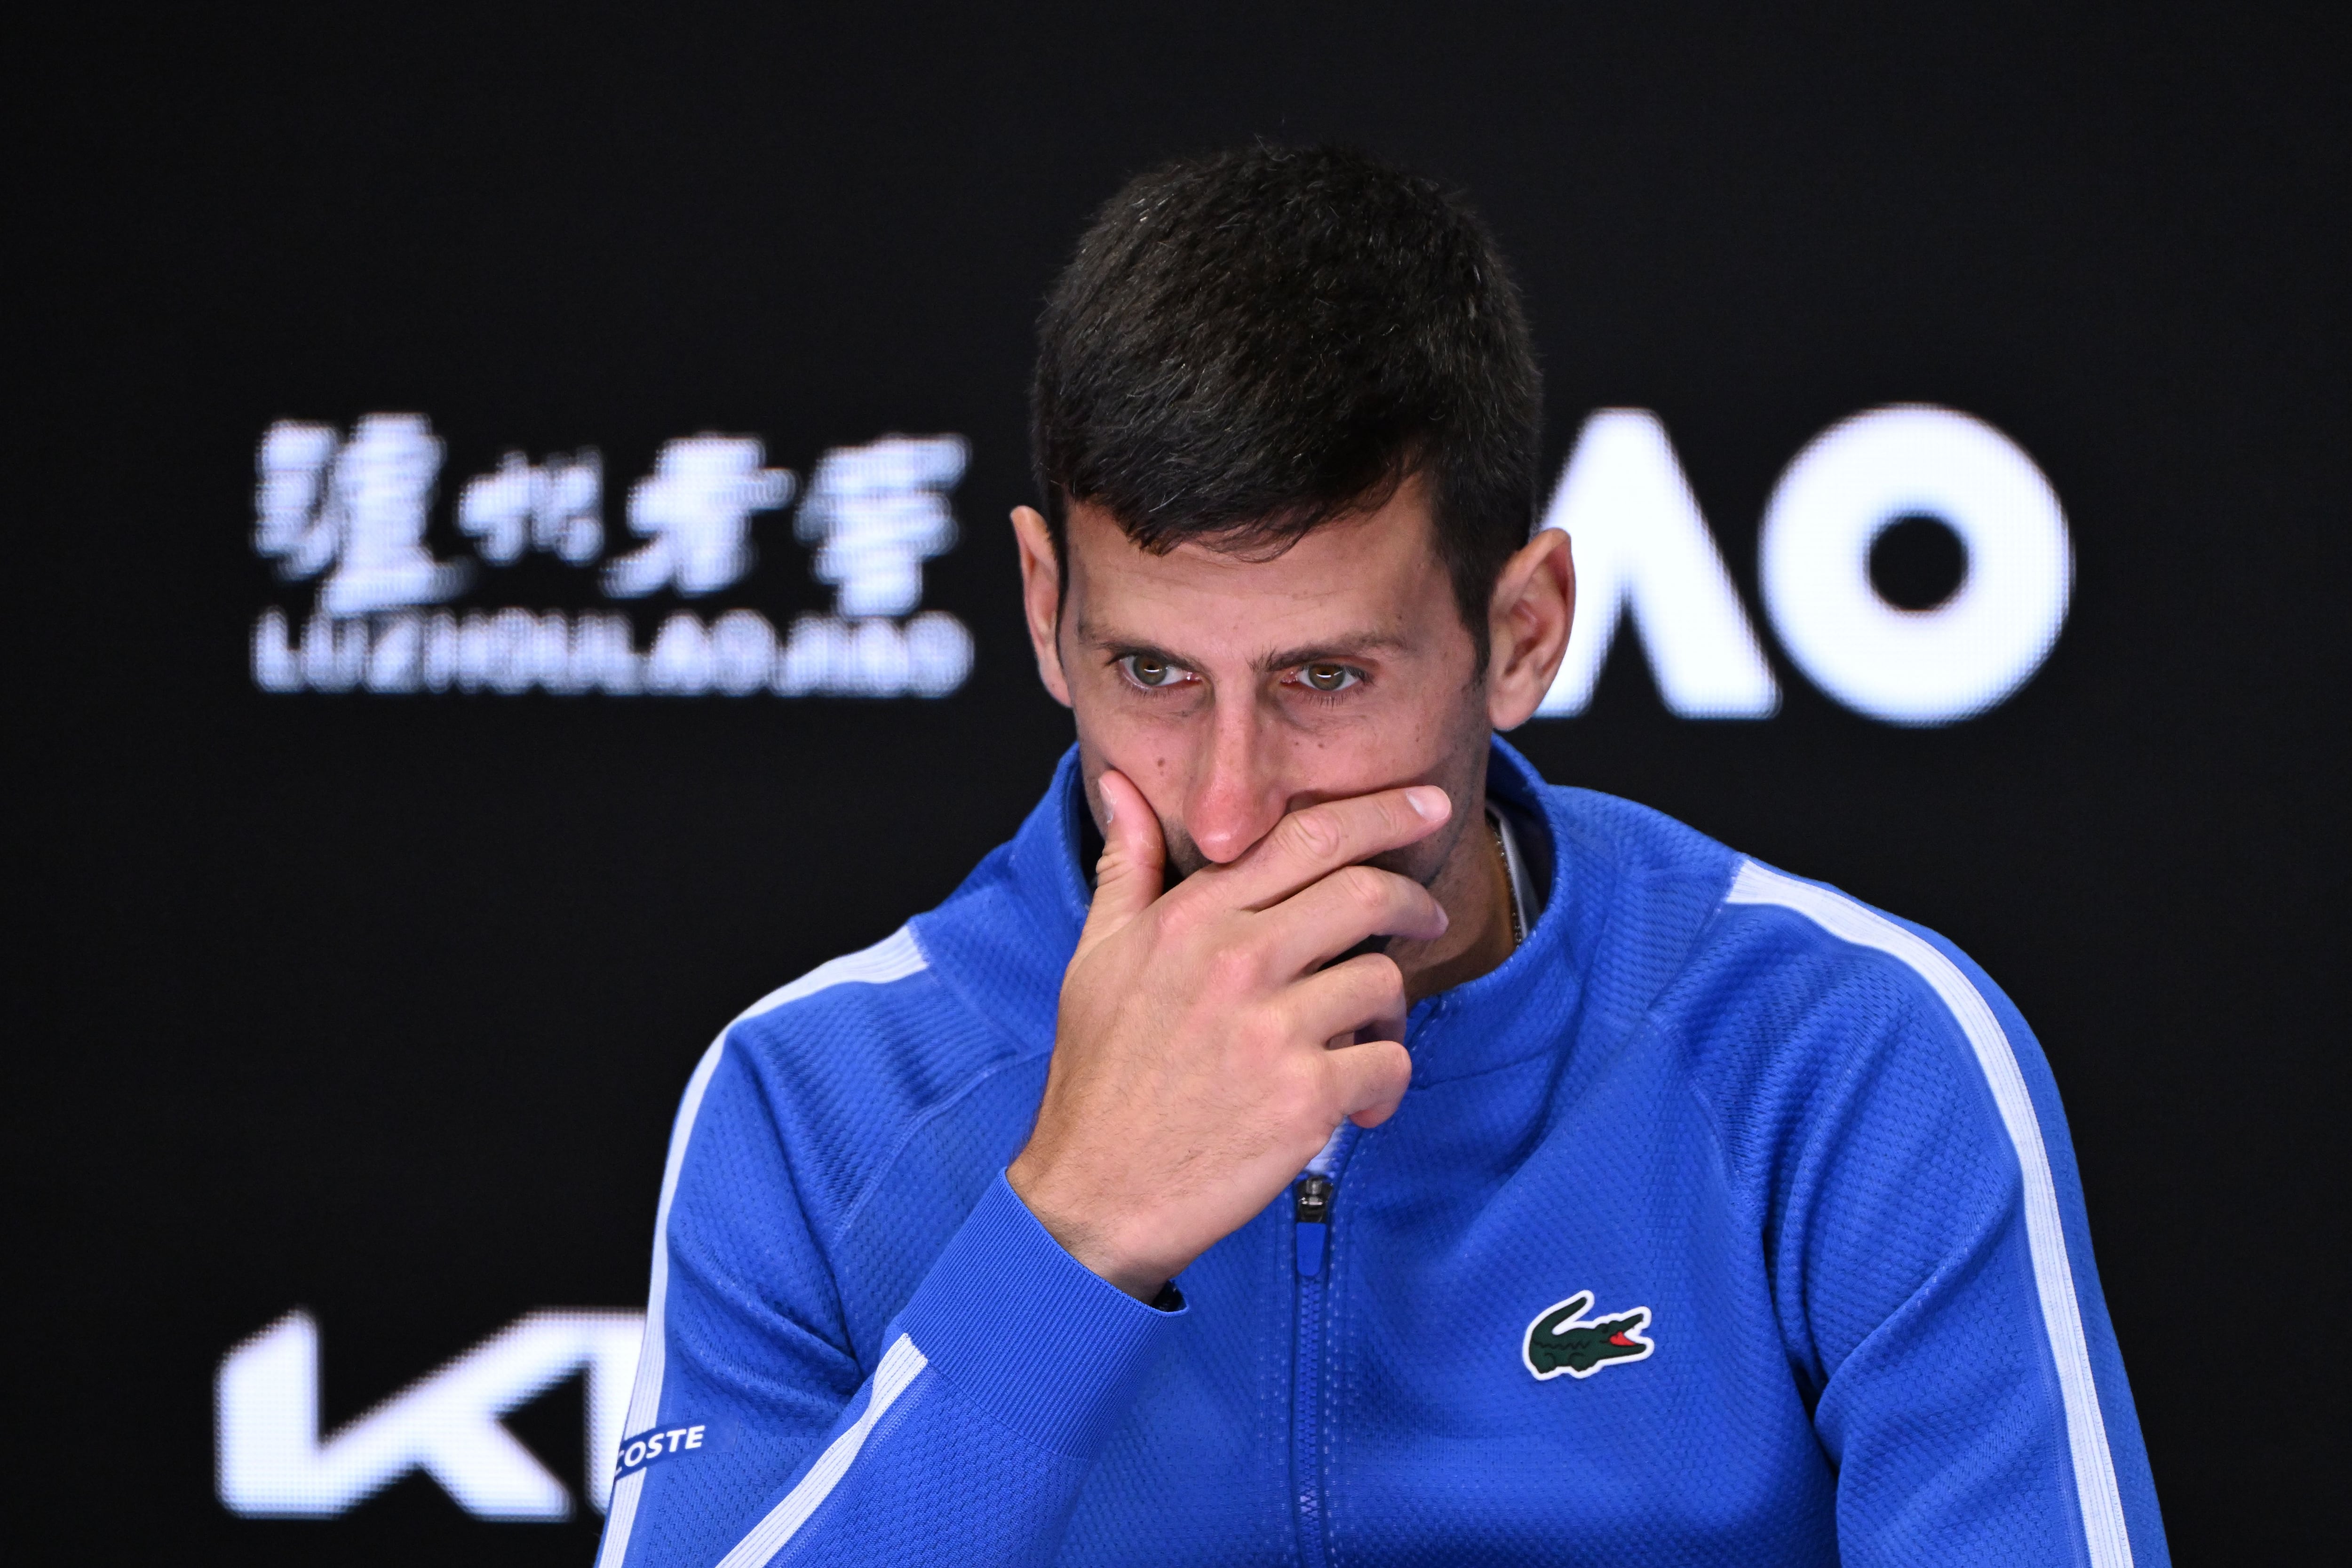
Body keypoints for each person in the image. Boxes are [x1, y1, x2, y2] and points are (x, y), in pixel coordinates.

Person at [592, 145, 2167, 1568]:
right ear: (1041, 607)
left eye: (1323, 682)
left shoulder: (1846, 1055)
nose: (1226, 812)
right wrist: (1070, 1233)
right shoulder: (812, 1096)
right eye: (1153, 676)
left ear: (1523, 632)